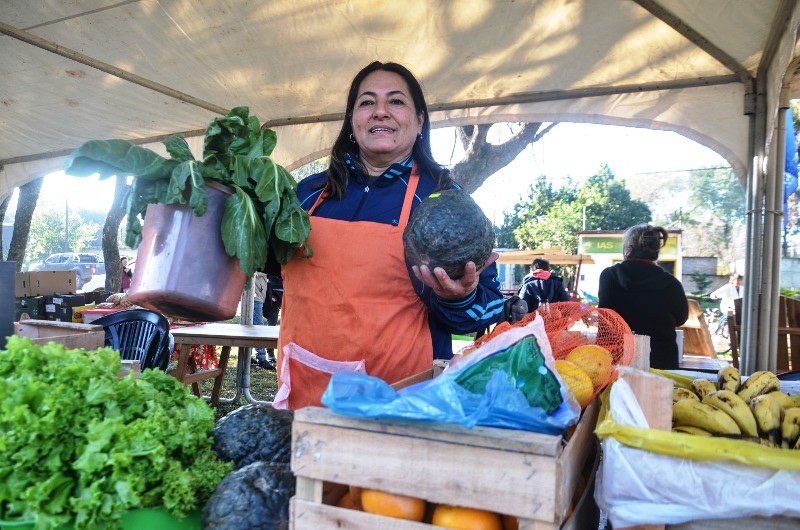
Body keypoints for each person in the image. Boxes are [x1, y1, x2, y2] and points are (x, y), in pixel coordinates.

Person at [277, 61, 504, 410]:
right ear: (352, 119)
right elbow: (266, 268)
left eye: (396, 102)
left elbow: (487, 306)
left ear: (419, 120)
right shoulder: (306, 195)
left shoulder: (445, 199)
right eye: (367, 102)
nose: (380, 112)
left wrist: (459, 298)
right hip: (304, 392)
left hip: (400, 406)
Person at [598, 224, 689, 369]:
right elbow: (681, 319)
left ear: (628, 249)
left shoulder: (609, 276)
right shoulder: (671, 283)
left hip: (615, 361)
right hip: (660, 364)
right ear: (656, 251)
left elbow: (605, 314)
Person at [251, 271, 275, 370]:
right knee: (258, 328)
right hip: (254, 296)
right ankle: (261, 358)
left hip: (258, 296)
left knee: (254, 328)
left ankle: (249, 357)